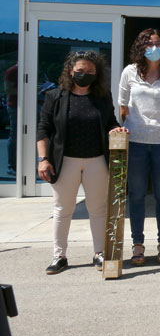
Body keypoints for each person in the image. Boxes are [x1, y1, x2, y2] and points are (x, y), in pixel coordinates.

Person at [36, 51, 126, 274]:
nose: (85, 74)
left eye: (90, 71)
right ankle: (59, 256)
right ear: (70, 71)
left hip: (96, 161)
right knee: (63, 209)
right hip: (65, 161)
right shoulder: (55, 96)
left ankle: (100, 253)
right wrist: (43, 159)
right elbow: (44, 128)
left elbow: (111, 122)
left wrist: (116, 129)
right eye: (80, 70)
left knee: (98, 209)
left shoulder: (102, 96)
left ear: (97, 74)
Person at [119, 29, 160, 265]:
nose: (154, 48)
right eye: (149, 44)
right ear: (140, 47)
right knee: (136, 194)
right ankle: (137, 243)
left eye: (158, 43)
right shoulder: (129, 72)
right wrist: (130, 127)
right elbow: (123, 108)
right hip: (136, 142)